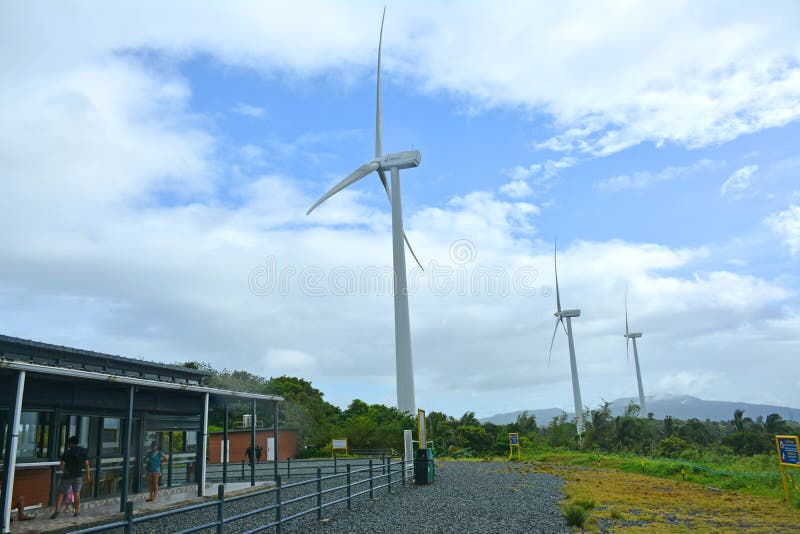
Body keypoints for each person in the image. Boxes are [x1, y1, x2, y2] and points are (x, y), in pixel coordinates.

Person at [51, 436, 90, 518]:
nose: (68, 445)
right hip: (78, 476)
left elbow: (61, 465)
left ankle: (57, 511)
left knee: (61, 493)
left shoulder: (67, 452)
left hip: (67, 476)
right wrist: (88, 475)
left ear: (71, 443)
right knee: (77, 493)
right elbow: (86, 464)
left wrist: (64, 469)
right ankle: (76, 511)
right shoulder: (83, 451)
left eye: (69, 443)